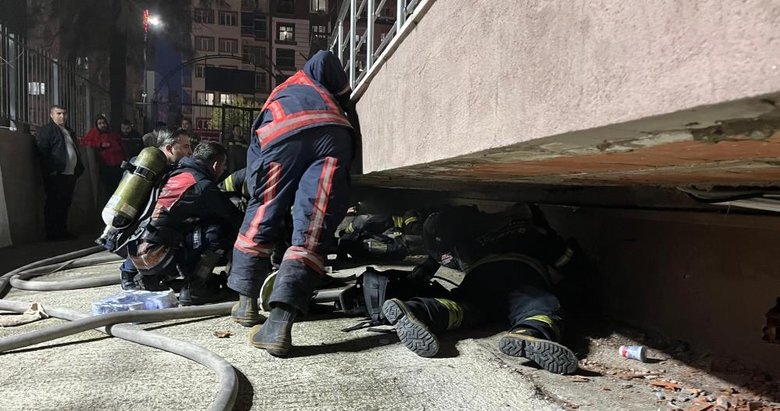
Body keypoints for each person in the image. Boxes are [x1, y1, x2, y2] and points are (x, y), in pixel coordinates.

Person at [227, 50, 361, 357]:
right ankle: (277, 325)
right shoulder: (311, 78)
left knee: (261, 215)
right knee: (313, 229)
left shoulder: (279, 95)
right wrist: (343, 103)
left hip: (280, 135)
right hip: (335, 135)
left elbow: (257, 186)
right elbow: (326, 57)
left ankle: (246, 306)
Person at [380, 205, 580, 375]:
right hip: (522, 274)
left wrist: (418, 275)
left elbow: (438, 260)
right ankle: (530, 333)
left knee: (464, 306)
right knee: (538, 306)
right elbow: (570, 265)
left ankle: (420, 310)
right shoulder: (537, 234)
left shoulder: (480, 236)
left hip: (480, 274)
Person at [128, 142, 242, 305]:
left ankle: (151, 278)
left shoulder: (175, 172)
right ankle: (196, 288)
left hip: (138, 253)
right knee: (221, 231)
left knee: (190, 228)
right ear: (215, 164)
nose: (224, 169)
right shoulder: (203, 185)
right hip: (156, 256)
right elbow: (234, 217)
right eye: (223, 165)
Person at [118, 127, 192, 290]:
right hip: (140, 218)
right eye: (185, 147)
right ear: (169, 148)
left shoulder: (151, 164)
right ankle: (129, 274)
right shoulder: (158, 168)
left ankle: (147, 275)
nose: (190, 151)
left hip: (142, 217)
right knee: (145, 235)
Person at [34, 105, 84, 241]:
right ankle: (52, 234)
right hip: (56, 174)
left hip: (70, 173)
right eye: (59, 113)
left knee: (65, 203)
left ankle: (62, 231)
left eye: (64, 113)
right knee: (53, 203)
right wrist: (52, 170)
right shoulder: (47, 131)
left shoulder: (68, 131)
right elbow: (42, 151)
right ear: (51, 115)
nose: (62, 116)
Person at [81, 115, 126, 197]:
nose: (102, 125)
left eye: (104, 123)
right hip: (105, 165)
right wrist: (100, 144)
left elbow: (121, 147)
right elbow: (85, 142)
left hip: (117, 165)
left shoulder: (112, 134)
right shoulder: (93, 133)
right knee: (107, 188)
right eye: (100, 123)